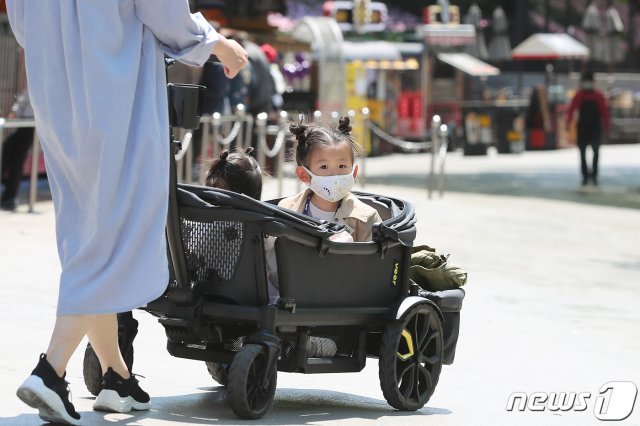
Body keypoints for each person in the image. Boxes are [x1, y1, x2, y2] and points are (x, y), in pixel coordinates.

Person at [6, 2, 248, 425]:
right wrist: (217, 44)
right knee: (117, 235)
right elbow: (164, 11)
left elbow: (23, 26)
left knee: (91, 239)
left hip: (58, 98)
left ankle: (118, 378)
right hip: (117, 97)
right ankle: (51, 369)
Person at [278, 115, 382, 242]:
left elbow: (373, 260)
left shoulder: (366, 217)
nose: (334, 174)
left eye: (342, 166)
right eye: (324, 167)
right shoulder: (286, 210)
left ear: (353, 173)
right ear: (304, 175)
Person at [566, 70, 610, 186]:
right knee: (582, 153)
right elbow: (571, 110)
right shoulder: (579, 95)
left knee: (596, 152)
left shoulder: (598, 96)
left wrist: (606, 125)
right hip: (583, 128)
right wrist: (568, 123)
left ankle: (594, 174)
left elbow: (604, 112)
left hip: (595, 128)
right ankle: (585, 175)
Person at [1, 87, 34, 211]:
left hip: (30, 124)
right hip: (24, 123)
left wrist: (16, 111)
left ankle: (10, 198)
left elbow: (25, 99)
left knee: (16, 161)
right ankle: (9, 197)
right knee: (8, 154)